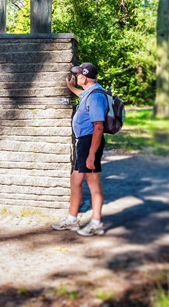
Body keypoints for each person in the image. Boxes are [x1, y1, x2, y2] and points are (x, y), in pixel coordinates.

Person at [52, 62, 108, 236]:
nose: (75, 77)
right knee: (76, 180)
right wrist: (70, 87)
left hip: (90, 142)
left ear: (83, 77)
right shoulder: (90, 93)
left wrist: (91, 154)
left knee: (92, 182)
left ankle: (95, 223)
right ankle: (72, 220)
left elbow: (98, 126)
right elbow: (82, 94)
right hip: (85, 142)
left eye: (77, 75)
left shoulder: (96, 97)